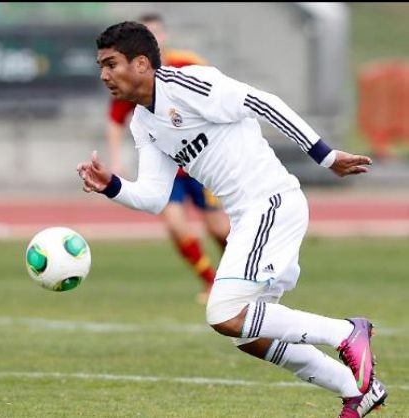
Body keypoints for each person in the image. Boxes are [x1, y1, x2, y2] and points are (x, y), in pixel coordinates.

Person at [77, 21, 387, 417]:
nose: (104, 75)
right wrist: (112, 185)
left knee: (223, 313)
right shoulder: (143, 122)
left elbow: (264, 102)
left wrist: (325, 155)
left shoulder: (188, 85)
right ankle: (358, 391)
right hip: (249, 218)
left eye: (110, 64)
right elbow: (155, 198)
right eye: (101, 66)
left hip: (271, 204)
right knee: (248, 335)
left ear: (141, 63)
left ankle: (346, 332)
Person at [105, 14, 229, 304]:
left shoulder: (188, 64)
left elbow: (218, 96)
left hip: (200, 163)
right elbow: (115, 120)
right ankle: (211, 283)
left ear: (164, 37)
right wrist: (115, 160)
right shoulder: (129, 76)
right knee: (175, 225)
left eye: (157, 33)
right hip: (165, 170)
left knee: (219, 228)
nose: (154, 39)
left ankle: (242, 276)